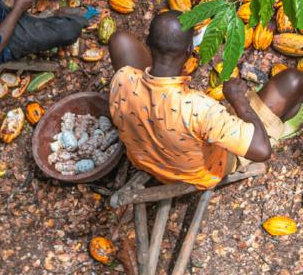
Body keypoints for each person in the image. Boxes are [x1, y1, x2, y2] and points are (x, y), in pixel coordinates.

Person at [109, 12, 303, 189]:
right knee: (293, 80)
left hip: (147, 158)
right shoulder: (199, 109)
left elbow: (121, 46)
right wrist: (239, 101)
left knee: (119, 40)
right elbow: (261, 150)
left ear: (148, 42)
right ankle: (282, 121)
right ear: (189, 51)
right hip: (199, 172)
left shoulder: (122, 80)